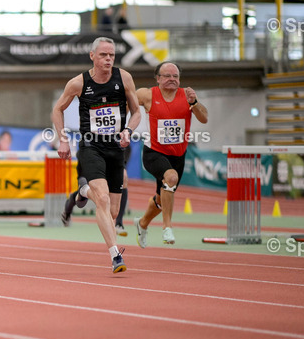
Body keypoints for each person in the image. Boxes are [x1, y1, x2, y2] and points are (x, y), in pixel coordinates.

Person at [51, 36, 141, 273]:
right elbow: (57, 109)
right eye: (103, 55)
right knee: (101, 199)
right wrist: (63, 139)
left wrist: (129, 130)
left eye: (111, 55)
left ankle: (83, 191)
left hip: (115, 149)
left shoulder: (124, 78)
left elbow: (136, 112)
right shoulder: (78, 83)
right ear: (92, 56)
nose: (108, 59)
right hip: (91, 146)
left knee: (112, 210)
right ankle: (115, 255)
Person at [133, 61, 208, 247]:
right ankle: (167, 227)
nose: (172, 79)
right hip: (154, 152)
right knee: (171, 178)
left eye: (175, 76)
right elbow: (126, 100)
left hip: (178, 155)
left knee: (161, 199)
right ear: (158, 78)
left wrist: (195, 103)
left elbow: (204, 118)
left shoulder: (187, 96)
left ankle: (142, 223)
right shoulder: (148, 94)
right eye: (167, 76)